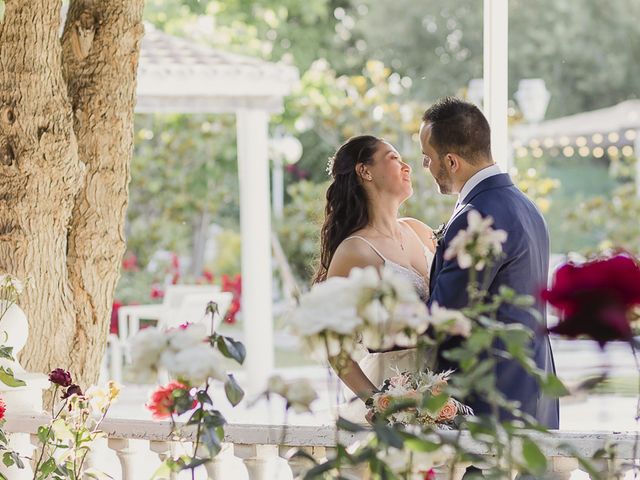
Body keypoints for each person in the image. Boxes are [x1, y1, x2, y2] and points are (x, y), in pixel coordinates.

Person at [420, 97, 559, 429]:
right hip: (533, 392)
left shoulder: (476, 216)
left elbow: (444, 315)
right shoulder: (524, 205)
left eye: (428, 158)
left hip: (488, 403)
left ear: (451, 162)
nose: (426, 167)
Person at [313, 134, 436, 421]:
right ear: (364, 171)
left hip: (442, 385)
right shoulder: (355, 251)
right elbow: (334, 345)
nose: (407, 167)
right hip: (395, 385)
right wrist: (377, 401)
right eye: (394, 159)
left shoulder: (418, 230)